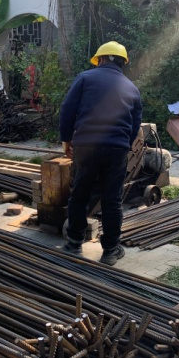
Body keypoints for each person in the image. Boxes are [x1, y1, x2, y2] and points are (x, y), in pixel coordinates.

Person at [60, 41, 142, 265]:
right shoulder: (131, 88)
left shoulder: (85, 78)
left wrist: (66, 140)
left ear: (101, 59)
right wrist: (123, 145)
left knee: (80, 194)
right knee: (112, 199)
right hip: (117, 149)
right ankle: (110, 251)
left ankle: (74, 244)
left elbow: (67, 109)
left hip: (86, 145)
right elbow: (135, 125)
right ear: (122, 63)